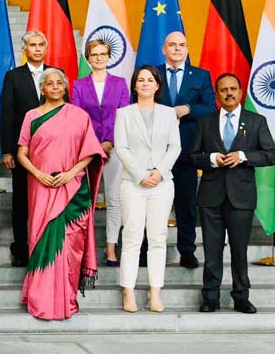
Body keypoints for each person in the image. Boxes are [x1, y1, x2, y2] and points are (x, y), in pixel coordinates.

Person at [17, 68, 105, 321]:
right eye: (49, 83)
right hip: (41, 186)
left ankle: (66, 300)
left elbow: (91, 151)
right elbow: (22, 152)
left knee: (69, 246)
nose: (55, 86)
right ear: (42, 88)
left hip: (72, 188)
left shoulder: (79, 116)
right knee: (41, 238)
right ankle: (40, 299)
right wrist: (37, 173)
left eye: (59, 83)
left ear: (65, 87)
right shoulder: (31, 116)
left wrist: (70, 173)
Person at [191, 73, 275, 314]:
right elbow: (192, 156)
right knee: (211, 249)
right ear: (216, 94)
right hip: (210, 197)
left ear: (240, 92)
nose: (229, 93)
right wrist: (211, 159)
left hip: (242, 197)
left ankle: (241, 296)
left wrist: (244, 156)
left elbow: (271, 154)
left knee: (239, 249)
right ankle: (210, 297)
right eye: (223, 90)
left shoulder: (256, 121)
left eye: (233, 89)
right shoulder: (205, 122)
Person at [113, 66, 180, 313]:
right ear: (134, 85)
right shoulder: (124, 113)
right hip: (133, 183)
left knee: (157, 237)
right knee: (131, 237)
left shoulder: (168, 113)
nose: (145, 83)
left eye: (149, 80)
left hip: (162, 183)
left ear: (157, 85)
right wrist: (141, 175)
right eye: (140, 80)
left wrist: (159, 172)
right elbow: (121, 147)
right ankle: (128, 291)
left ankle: (155, 291)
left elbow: (175, 147)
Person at [0, 30, 67, 267]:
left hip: (53, 152)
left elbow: (64, 112)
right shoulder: (13, 77)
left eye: (41, 45)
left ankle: (46, 244)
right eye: (32, 45)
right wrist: (7, 150)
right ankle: (21, 249)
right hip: (24, 152)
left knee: (49, 200)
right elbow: (7, 114)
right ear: (24, 49)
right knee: (21, 201)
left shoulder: (57, 75)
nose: (37, 49)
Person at [157, 31, 216, 269]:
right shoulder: (152, 74)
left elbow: (210, 108)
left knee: (187, 204)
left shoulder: (200, 76)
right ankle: (148, 251)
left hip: (187, 151)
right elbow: (138, 102)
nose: (177, 49)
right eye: (172, 45)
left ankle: (187, 251)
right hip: (155, 152)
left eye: (182, 45)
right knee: (153, 204)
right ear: (164, 49)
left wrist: (188, 109)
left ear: (187, 49)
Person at [71, 39, 130, 266]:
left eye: (103, 54)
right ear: (88, 57)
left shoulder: (120, 83)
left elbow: (124, 116)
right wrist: (93, 145)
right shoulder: (78, 85)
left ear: (109, 56)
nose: (98, 58)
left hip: (114, 149)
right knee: (87, 200)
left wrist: (110, 141)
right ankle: (86, 248)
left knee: (114, 200)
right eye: (94, 54)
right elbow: (77, 117)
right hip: (87, 150)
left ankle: (111, 249)